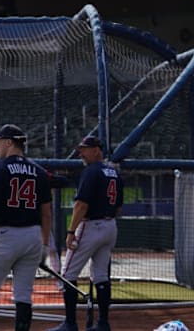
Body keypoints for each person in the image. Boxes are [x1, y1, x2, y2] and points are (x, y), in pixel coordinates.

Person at [0, 124, 52, 331]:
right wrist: (44, 243)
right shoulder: (40, 172)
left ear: (8, 142)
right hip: (33, 235)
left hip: (6, 236)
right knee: (23, 294)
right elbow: (46, 212)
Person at [49, 136, 123, 331]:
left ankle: (70, 323)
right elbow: (118, 208)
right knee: (101, 276)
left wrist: (71, 231)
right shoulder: (114, 172)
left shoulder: (91, 171)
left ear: (97, 150)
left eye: (85, 149)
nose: (81, 153)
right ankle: (103, 323)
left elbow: (81, 204)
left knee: (67, 274)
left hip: (91, 226)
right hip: (110, 226)